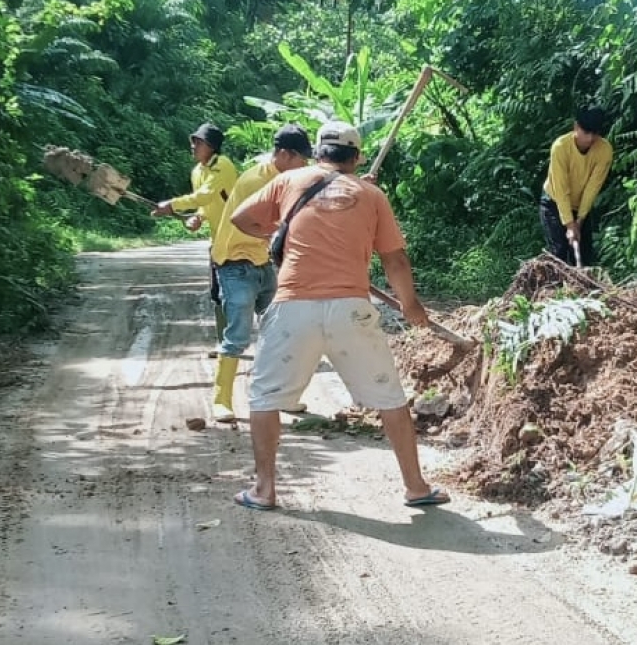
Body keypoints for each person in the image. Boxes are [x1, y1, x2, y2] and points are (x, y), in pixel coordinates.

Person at [227, 119, 450, 510]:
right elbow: (395, 258)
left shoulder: (289, 181)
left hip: (292, 307)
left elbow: (241, 218)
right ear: (357, 156)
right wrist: (411, 305)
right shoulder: (371, 194)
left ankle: (264, 490)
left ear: (317, 153)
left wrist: (280, 230)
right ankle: (416, 487)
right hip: (351, 309)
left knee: (263, 397)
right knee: (390, 399)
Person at [205, 123, 313, 423]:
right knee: (238, 334)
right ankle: (221, 400)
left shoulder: (286, 176)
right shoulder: (257, 181)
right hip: (236, 263)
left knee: (281, 330)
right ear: (283, 154)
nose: (305, 164)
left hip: (263, 262)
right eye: (301, 158)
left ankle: (283, 396)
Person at [152, 123, 239, 353]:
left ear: (211, 146)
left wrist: (172, 205)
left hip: (238, 239)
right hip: (217, 241)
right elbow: (207, 204)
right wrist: (198, 218)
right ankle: (224, 343)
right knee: (217, 292)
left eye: (198, 142)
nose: (193, 146)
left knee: (243, 293)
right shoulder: (197, 172)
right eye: (193, 142)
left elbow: (205, 195)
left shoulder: (223, 166)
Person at [539, 107, 613, 266]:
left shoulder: (605, 150)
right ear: (576, 127)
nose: (590, 138)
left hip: (580, 207)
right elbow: (561, 190)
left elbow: (592, 188)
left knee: (584, 254)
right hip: (554, 201)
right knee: (559, 250)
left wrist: (578, 222)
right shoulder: (560, 148)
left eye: (595, 133)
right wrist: (569, 225)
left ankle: (581, 288)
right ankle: (555, 289)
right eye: (586, 132)